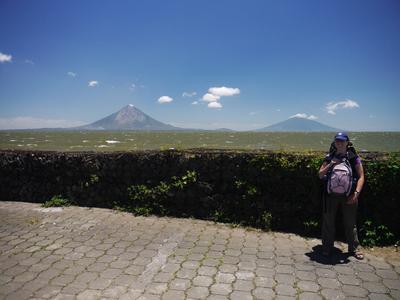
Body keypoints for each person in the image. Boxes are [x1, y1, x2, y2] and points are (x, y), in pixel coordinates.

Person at [318, 132, 365, 259]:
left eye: (342, 141)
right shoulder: (330, 156)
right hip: (330, 195)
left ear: (347, 143)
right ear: (334, 142)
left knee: (350, 223)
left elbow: (361, 177)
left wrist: (356, 194)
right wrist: (331, 163)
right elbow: (321, 174)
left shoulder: (354, 157)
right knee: (328, 222)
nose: (339, 143)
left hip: (349, 195)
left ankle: (354, 248)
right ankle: (327, 247)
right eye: (337, 141)